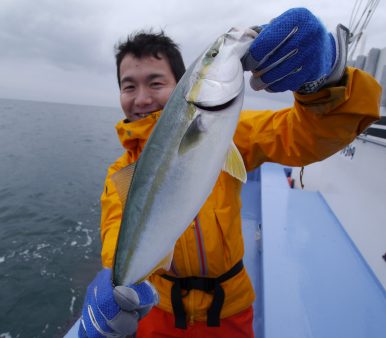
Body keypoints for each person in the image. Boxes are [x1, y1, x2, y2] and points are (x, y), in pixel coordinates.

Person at [79, 7, 381, 338]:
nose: (143, 98)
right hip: (157, 310)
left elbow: (304, 136)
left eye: (155, 82)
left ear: (183, 86)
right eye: (128, 86)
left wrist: (324, 83)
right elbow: (116, 228)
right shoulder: (120, 172)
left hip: (228, 309)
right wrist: (114, 280)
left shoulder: (230, 131)